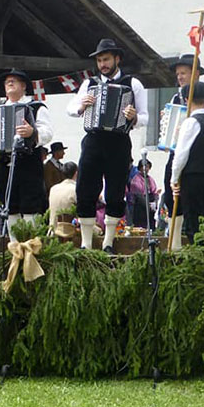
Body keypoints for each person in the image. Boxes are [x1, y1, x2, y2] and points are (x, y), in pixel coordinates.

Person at [66, 38, 148, 253]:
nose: (103, 64)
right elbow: (71, 108)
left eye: (106, 59)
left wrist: (135, 116)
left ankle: (108, 242)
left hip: (119, 141)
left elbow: (145, 116)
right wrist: (81, 106)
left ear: (117, 59)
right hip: (93, 140)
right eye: (100, 60)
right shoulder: (89, 84)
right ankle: (86, 243)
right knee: (85, 189)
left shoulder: (133, 83)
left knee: (115, 191)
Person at [0, 69, 53, 239]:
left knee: (31, 204)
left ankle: (31, 247)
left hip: (28, 162)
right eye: (7, 82)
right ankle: (15, 248)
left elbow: (48, 132)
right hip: (5, 164)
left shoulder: (36, 107)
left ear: (23, 86)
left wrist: (32, 132)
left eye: (14, 81)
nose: (10, 84)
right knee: (9, 205)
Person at [161, 54, 204, 223]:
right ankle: (175, 240)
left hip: (197, 160)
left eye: (183, 73)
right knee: (172, 198)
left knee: (196, 204)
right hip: (175, 153)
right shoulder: (176, 98)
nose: (179, 77)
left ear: (196, 73)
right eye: (178, 74)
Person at [170, 82, 204, 249]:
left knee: (192, 219)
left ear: (186, 99)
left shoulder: (191, 122)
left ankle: (197, 252)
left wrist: (174, 178)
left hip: (192, 175)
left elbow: (181, 154)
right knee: (203, 215)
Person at [126, 158, 157, 230]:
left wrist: (155, 203)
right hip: (140, 206)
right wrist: (148, 205)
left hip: (150, 205)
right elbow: (138, 194)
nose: (145, 169)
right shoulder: (136, 179)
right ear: (139, 168)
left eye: (147, 167)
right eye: (143, 167)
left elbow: (154, 192)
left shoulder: (150, 179)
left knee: (151, 226)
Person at [48, 161, 78, 233]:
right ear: (76, 173)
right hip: (68, 232)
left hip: (52, 231)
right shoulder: (76, 189)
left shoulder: (53, 189)